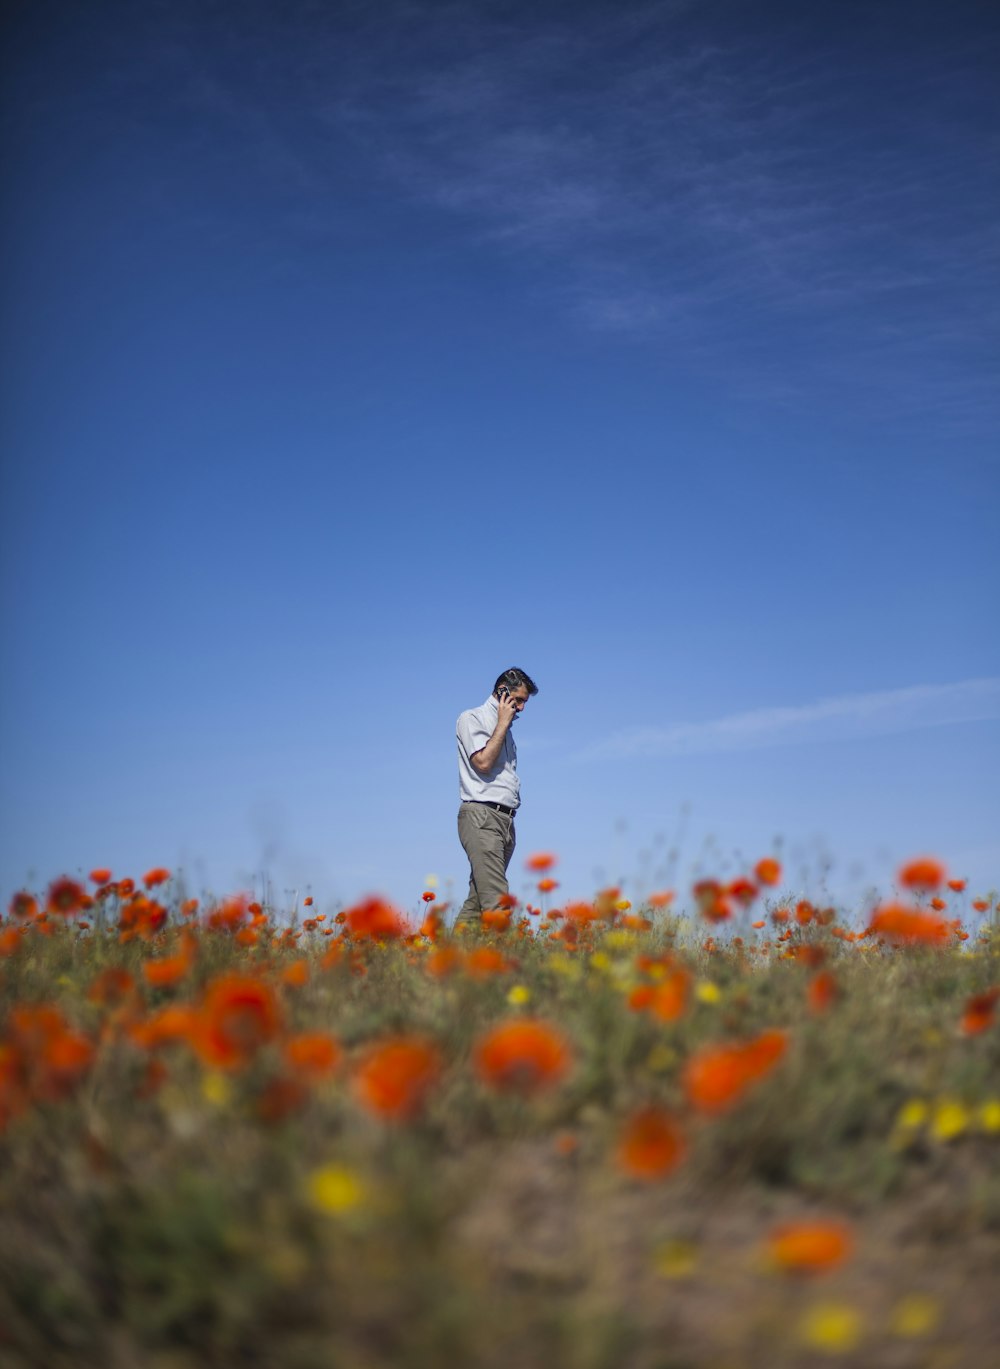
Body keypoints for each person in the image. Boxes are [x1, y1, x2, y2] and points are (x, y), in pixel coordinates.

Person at [455, 668, 538, 927]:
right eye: (519, 700)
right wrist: (502, 722)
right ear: (503, 692)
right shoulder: (472, 718)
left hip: (504, 821)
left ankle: (445, 959)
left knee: (478, 901)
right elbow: (483, 763)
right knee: (497, 902)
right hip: (482, 818)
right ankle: (509, 964)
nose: (522, 708)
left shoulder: (508, 732)